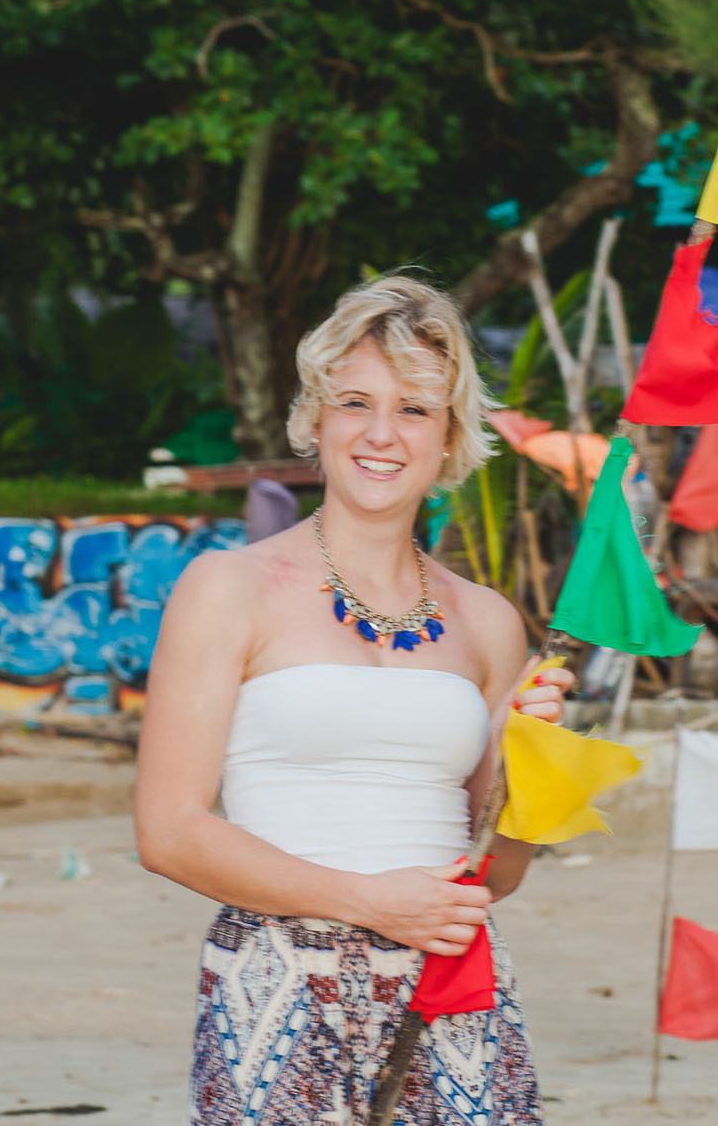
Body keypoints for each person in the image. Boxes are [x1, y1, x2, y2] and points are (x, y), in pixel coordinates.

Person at [136, 274, 570, 1125]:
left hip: (453, 986)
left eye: (414, 410)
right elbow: (168, 832)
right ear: (315, 418)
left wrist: (534, 764)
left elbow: (498, 870)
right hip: (278, 982)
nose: (381, 434)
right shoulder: (228, 587)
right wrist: (369, 901)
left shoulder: (488, 621)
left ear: (450, 437)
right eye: (355, 403)